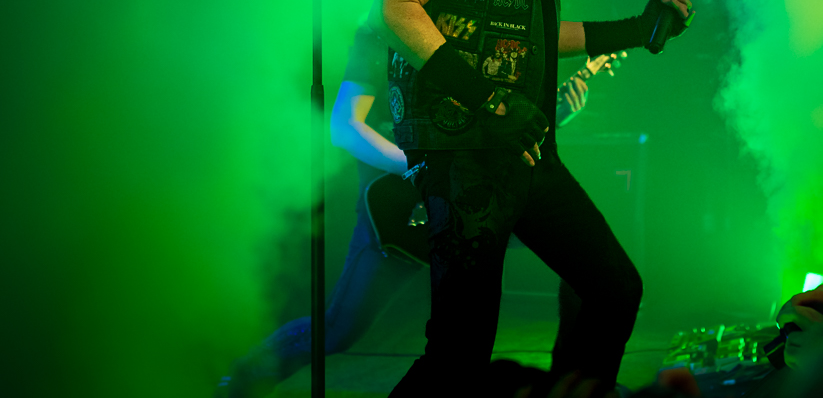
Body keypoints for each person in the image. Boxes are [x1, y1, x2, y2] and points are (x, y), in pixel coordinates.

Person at [370, 0, 693, 396]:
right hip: (467, 156)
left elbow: (539, 36)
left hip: (522, 152)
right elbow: (398, 6)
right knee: (459, 351)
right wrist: (488, 99)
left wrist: (638, 29)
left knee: (611, 287)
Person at [216, 26, 607, 398]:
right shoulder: (381, 32)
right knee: (338, 329)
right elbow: (344, 127)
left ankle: (568, 385)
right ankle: (241, 380)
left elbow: (487, 139)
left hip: (469, 206)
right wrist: (425, 167)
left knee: (582, 265)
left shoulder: (478, 33)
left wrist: (556, 116)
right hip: (399, 210)